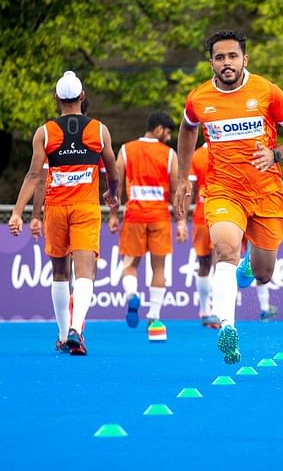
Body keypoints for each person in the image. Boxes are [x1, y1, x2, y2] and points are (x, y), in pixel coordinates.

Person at [173, 29, 283, 364]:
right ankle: (227, 328)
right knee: (224, 249)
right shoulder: (199, 98)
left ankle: (248, 268)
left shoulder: (267, 91)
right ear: (211, 63)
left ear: (244, 59)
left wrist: (276, 155)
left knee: (263, 273)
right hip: (223, 191)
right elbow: (188, 129)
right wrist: (183, 178)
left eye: (232, 56)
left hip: (267, 193)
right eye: (220, 58)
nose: (227, 63)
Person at [8, 70, 119, 355]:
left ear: (56, 98)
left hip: (55, 209)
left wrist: (18, 213)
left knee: (59, 272)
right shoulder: (98, 130)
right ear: (82, 97)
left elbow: (34, 175)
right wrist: (114, 192)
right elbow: (112, 169)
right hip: (85, 207)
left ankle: (61, 334)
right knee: (84, 272)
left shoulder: (45, 132)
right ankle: (77, 329)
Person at [108, 112, 188, 329]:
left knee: (130, 265)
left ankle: (132, 294)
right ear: (159, 129)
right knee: (159, 268)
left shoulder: (126, 149)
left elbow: (115, 186)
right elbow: (175, 193)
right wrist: (180, 222)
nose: (169, 137)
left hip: (134, 215)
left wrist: (114, 215)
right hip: (160, 217)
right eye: (168, 132)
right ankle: (154, 314)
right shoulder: (170, 155)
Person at [188, 141, 220, 328]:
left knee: (204, 264)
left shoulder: (197, 155)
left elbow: (189, 189)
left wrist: (182, 218)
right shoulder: (228, 150)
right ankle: (216, 310)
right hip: (222, 214)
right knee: (220, 262)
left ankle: (204, 311)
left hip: (201, 215)